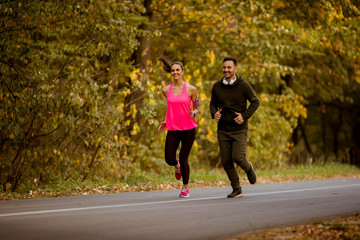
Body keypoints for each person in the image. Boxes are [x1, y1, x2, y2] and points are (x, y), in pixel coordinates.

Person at [210, 57, 259, 198]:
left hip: (239, 129)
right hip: (223, 129)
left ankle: (248, 168)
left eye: (229, 67)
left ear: (235, 69)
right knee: (226, 161)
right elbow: (212, 104)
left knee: (237, 157)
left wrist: (244, 115)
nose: (226, 70)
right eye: (224, 67)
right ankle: (236, 188)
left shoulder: (243, 85)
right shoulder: (217, 86)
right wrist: (214, 114)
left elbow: (255, 102)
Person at [157, 56, 199, 198]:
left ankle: (185, 188)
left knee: (184, 157)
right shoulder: (165, 90)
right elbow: (172, 108)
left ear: (182, 72)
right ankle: (176, 166)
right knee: (169, 158)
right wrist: (165, 121)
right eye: (173, 70)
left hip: (188, 129)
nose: (175, 72)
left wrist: (194, 112)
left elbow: (196, 106)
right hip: (173, 128)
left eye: (177, 70)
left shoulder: (191, 89)